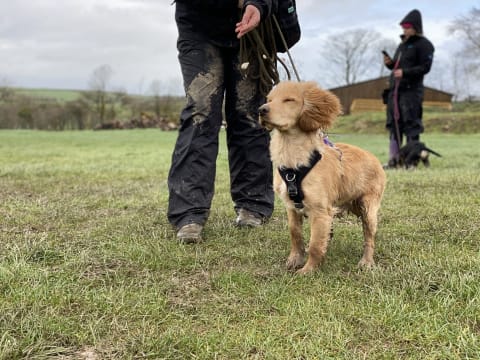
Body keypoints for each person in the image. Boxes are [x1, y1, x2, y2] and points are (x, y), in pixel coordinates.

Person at [168, 0, 275, 243]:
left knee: (249, 115)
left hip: (254, 30)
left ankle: (253, 203)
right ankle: (189, 212)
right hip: (199, 27)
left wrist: (259, 4)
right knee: (200, 113)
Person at [383, 9, 434, 169]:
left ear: (416, 27)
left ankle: (411, 161)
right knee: (394, 124)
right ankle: (394, 160)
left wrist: (405, 72)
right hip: (396, 92)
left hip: (411, 92)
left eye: (407, 26)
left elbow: (425, 67)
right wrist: (390, 64)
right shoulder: (402, 45)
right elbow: (398, 66)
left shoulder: (425, 45)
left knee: (411, 125)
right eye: (403, 26)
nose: (404, 29)